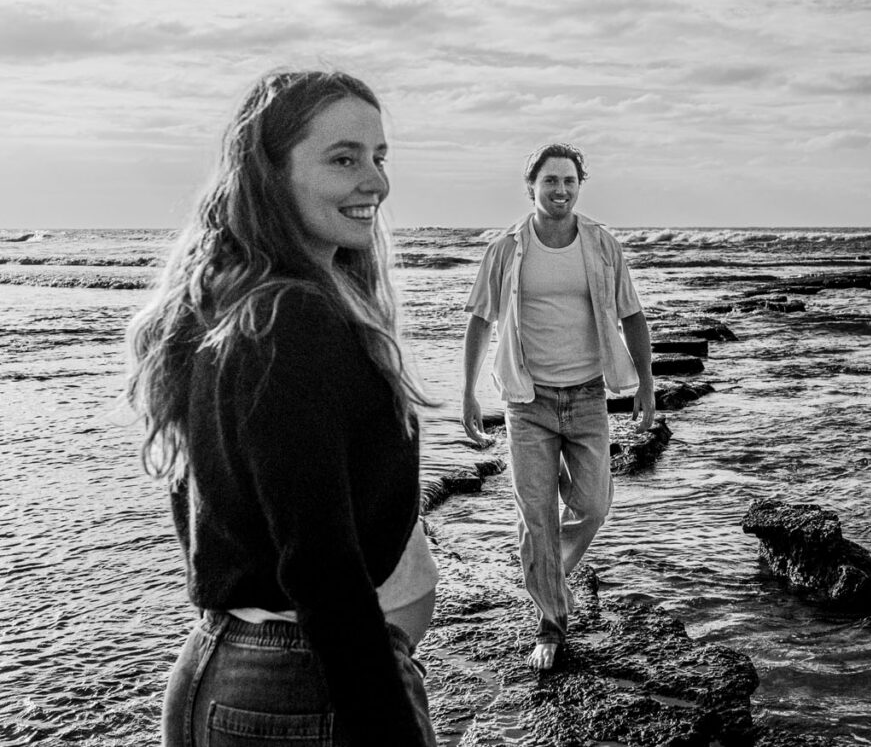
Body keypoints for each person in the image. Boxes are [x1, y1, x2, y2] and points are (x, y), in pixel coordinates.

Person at [126, 70, 437, 746]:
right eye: (344, 158)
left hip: (251, 664)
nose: (377, 182)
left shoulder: (244, 307)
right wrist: (390, 727)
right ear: (270, 173)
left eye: (380, 157)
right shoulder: (290, 318)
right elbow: (317, 562)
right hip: (298, 686)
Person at [460, 143, 655, 670]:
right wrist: (468, 391)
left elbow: (633, 315)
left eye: (569, 181)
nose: (560, 190)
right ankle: (550, 621)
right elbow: (479, 319)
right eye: (550, 181)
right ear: (532, 187)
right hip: (527, 401)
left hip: (589, 394)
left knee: (592, 505)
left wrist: (646, 383)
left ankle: (543, 567)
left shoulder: (601, 245)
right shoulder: (506, 249)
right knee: (537, 513)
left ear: (579, 185)